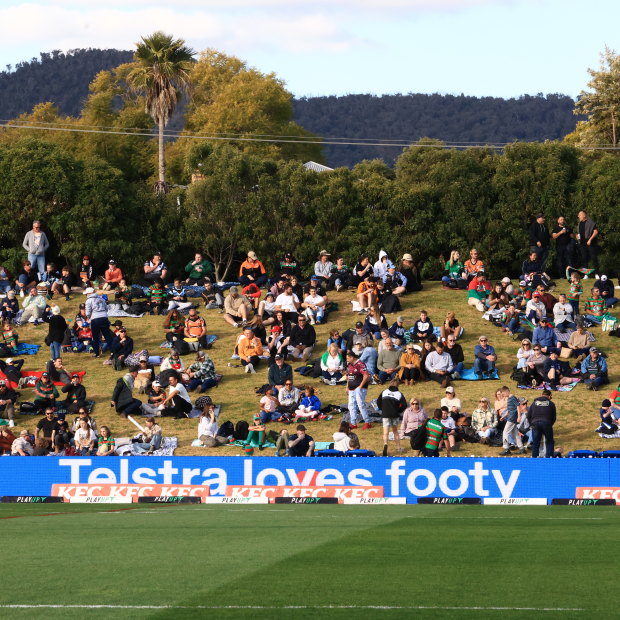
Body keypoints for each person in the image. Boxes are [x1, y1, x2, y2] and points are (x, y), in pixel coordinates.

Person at [377, 378, 406, 456]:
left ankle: (385, 444)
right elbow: (404, 405)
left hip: (385, 414)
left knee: (385, 432)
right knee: (395, 431)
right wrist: (399, 411)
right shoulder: (399, 394)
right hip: (394, 414)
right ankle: (398, 448)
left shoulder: (384, 392)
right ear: (398, 385)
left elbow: (378, 402)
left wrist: (382, 409)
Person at [84, 287, 115, 358]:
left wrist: (89, 317)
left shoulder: (88, 301)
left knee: (95, 337)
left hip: (95, 319)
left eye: (86, 294)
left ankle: (97, 353)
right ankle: (113, 352)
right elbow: (106, 308)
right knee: (108, 336)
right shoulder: (101, 298)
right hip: (104, 318)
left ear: (89, 293)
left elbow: (88, 312)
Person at [346, 350, 371, 430]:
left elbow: (366, 375)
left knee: (360, 404)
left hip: (359, 387)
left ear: (352, 357)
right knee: (351, 405)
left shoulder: (360, 364)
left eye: (348, 358)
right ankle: (353, 423)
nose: (347, 360)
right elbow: (348, 376)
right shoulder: (349, 365)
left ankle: (367, 422)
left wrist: (360, 386)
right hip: (351, 387)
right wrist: (347, 386)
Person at [527, 389, 556, 458]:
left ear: (541, 395)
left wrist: (531, 424)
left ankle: (535, 459)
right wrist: (550, 424)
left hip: (535, 423)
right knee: (549, 441)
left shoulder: (534, 403)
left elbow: (528, 415)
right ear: (550, 396)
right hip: (546, 423)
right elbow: (554, 417)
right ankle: (549, 459)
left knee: (536, 443)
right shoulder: (551, 404)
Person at [499, 388, 525, 455]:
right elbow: (509, 409)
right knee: (515, 434)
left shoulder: (513, 398)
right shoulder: (509, 399)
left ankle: (506, 449)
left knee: (505, 432)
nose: (503, 395)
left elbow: (518, 406)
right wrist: (503, 416)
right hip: (510, 417)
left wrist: (519, 417)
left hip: (512, 418)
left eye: (503, 394)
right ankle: (521, 448)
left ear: (507, 391)